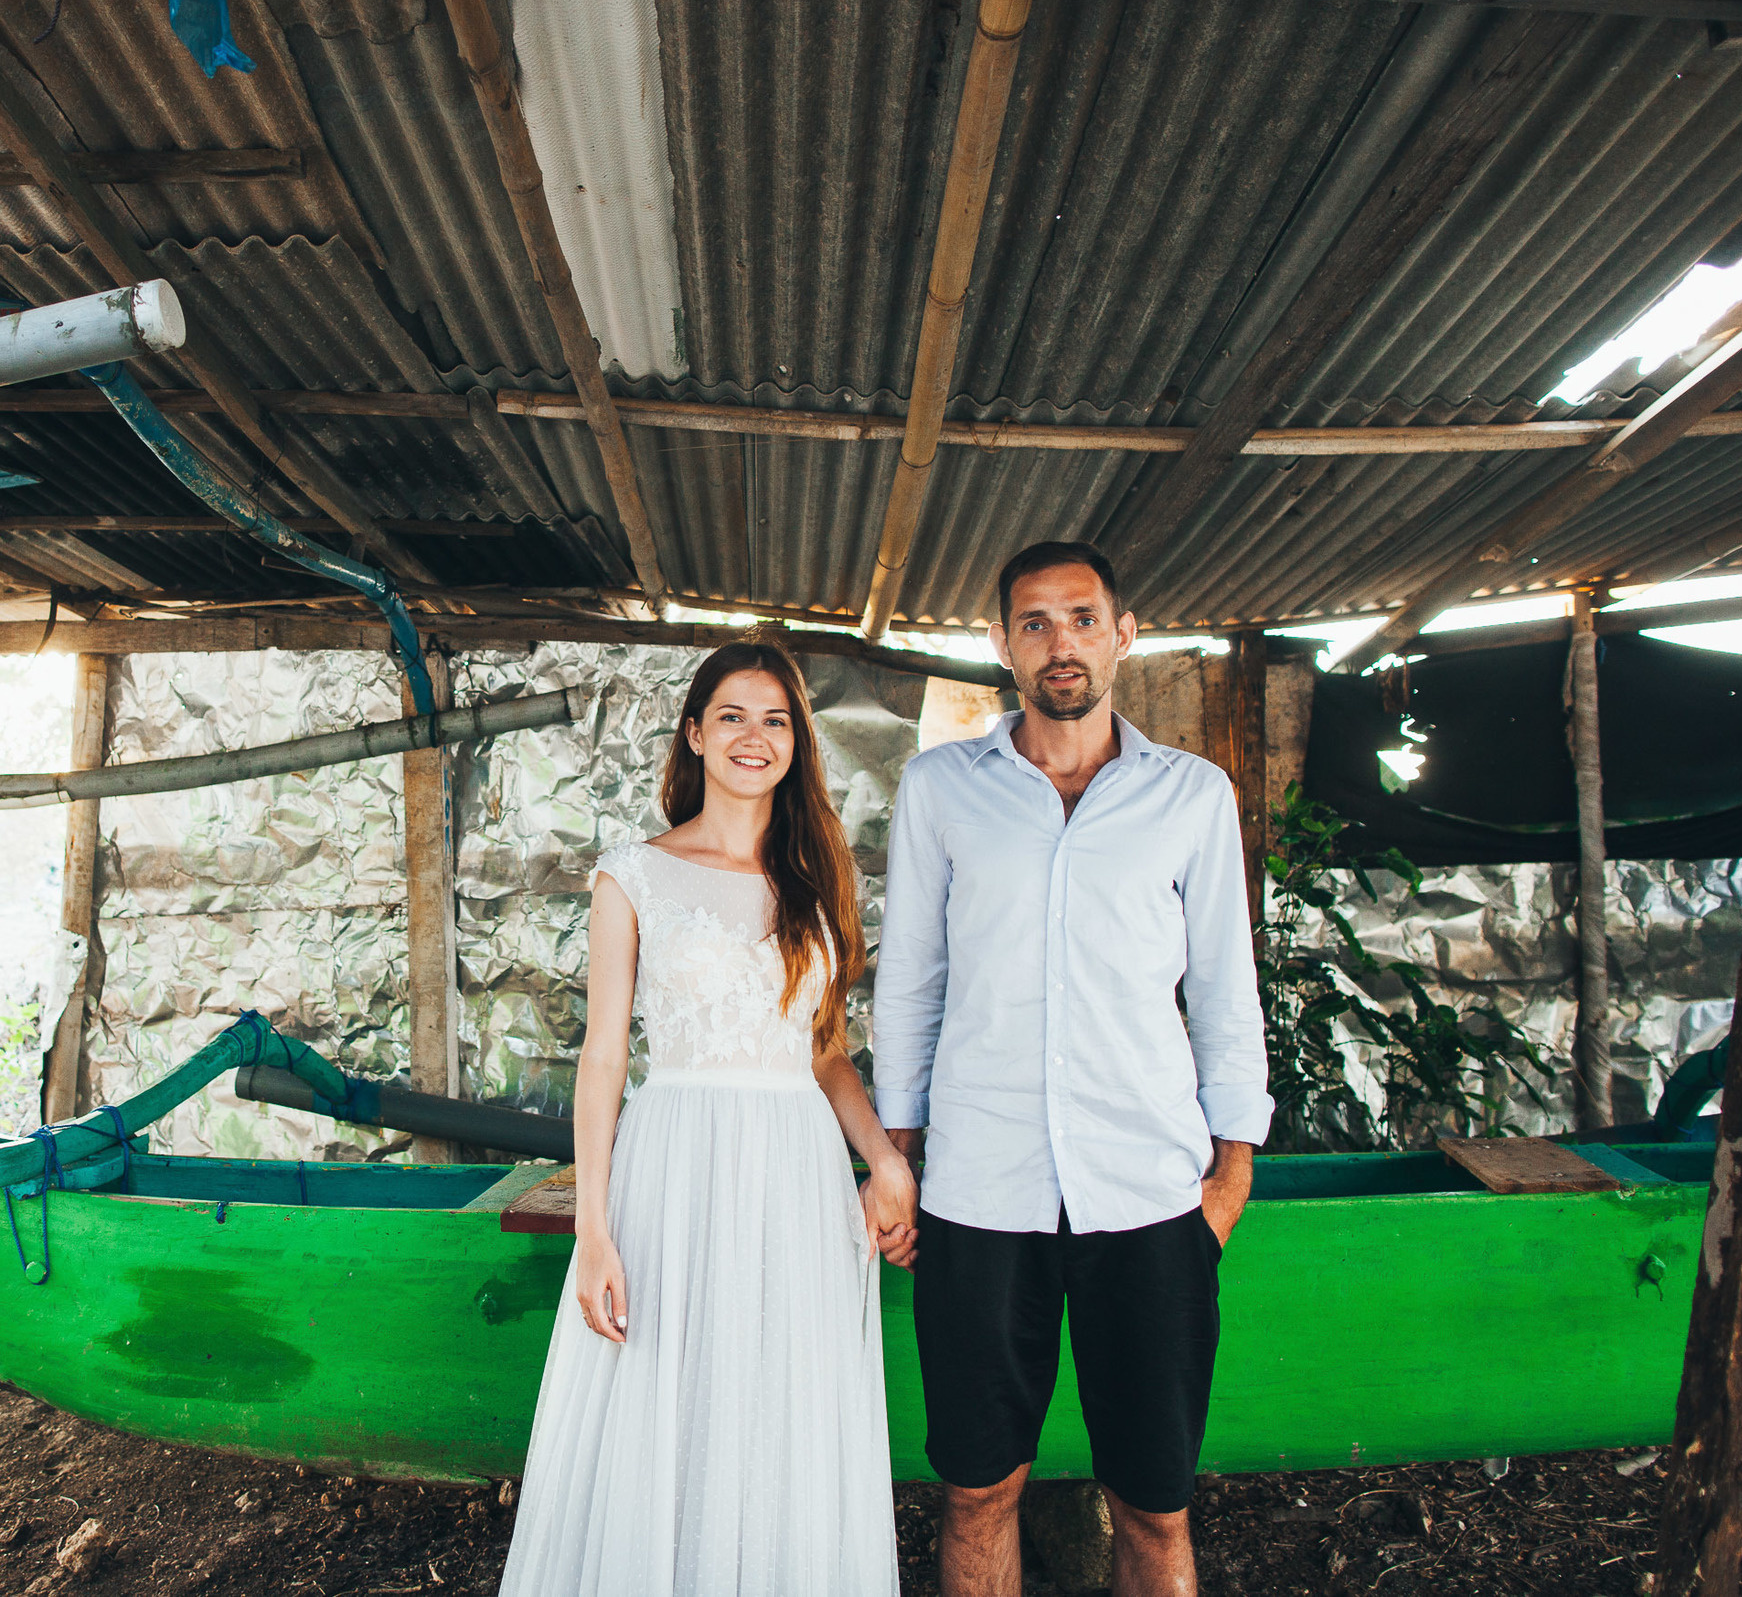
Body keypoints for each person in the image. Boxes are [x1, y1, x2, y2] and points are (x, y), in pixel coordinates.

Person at [873, 540, 1272, 1597]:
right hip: (977, 1193)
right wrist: (897, 1161)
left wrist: (1227, 1180)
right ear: (1001, 644)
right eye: (1036, 623)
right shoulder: (940, 790)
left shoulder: (1191, 797)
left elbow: (1227, 995)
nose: (1062, 643)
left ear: (1123, 634)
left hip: (1146, 1195)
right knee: (974, 1490)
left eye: (1083, 618)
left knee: (1153, 1505)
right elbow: (910, 982)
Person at [499, 639, 919, 1597]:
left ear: (796, 744)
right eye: (732, 714)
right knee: (668, 1393)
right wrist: (592, 1233)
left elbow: (826, 1053)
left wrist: (884, 1161)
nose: (753, 736)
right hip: (678, 1164)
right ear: (695, 732)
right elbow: (604, 1057)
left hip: (796, 1173)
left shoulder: (818, 874)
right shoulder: (633, 874)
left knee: (778, 1404)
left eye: (775, 719)